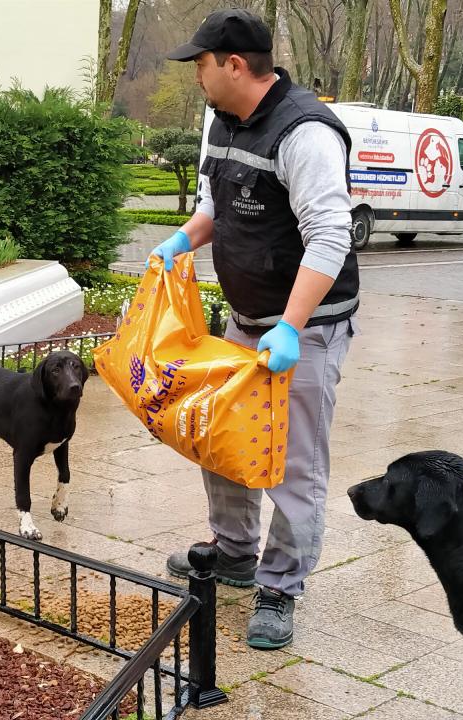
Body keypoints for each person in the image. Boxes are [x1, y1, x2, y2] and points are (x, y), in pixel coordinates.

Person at [152, 8, 359, 651]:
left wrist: (292, 327)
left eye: (201, 64)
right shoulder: (222, 121)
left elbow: (331, 234)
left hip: (306, 331)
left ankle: (280, 586)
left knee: (292, 464)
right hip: (244, 323)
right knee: (226, 442)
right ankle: (237, 552)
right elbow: (215, 202)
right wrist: (182, 241)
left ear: (234, 65)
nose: (197, 77)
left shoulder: (306, 133)